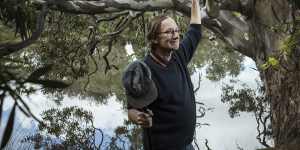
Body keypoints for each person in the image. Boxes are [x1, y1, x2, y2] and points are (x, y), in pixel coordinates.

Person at [124, 0, 202, 149]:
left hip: (187, 145)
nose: (175, 35)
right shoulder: (143, 71)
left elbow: (195, 30)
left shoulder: (178, 55)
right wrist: (139, 118)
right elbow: (131, 111)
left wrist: (195, 1)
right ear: (154, 38)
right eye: (169, 32)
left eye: (177, 30)